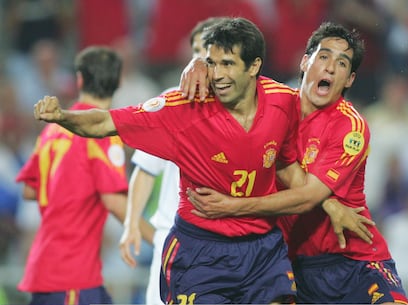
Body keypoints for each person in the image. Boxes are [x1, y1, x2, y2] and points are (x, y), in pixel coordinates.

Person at [33, 17, 304, 304]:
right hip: (202, 251)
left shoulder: (283, 102)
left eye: (228, 64)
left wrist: (333, 205)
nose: (219, 74)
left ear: (254, 66)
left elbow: (291, 163)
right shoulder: (183, 107)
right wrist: (63, 116)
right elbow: (103, 123)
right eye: (211, 63)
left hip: (262, 248)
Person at [184, 22, 408, 304]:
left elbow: (306, 199)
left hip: (355, 261)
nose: (329, 67)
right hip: (294, 264)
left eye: (341, 63)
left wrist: (232, 206)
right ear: (305, 62)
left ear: (350, 80)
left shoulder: (350, 127)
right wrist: (197, 63)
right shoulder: (270, 103)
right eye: (324, 56)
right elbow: (229, 72)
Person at [118, 17, 224, 305]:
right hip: (173, 234)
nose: (200, 59)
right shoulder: (171, 102)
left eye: (208, 51)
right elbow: (145, 168)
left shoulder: (240, 107)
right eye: (196, 51)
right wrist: (130, 223)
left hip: (224, 239)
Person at [16, 46, 129, 305]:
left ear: (79, 79)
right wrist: (161, 237)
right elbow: (114, 202)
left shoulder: (53, 130)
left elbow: (30, 190)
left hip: (46, 269)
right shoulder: (102, 133)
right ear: (119, 81)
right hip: (73, 276)